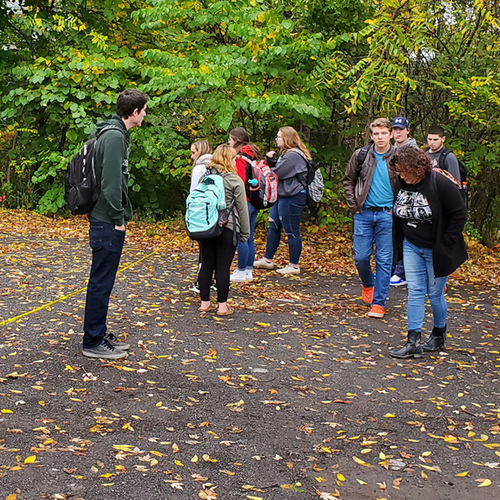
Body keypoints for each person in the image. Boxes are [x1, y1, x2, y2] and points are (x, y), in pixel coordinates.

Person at [82, 89, 149, 359]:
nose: (145, 114)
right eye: (143, 110)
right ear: (134, 112)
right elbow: (111, 184)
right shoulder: (114, 137)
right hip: (106, 220)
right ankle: (92, 341)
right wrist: (118, 218)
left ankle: (98, 333)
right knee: (101, 280)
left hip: (105, 219)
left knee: (103, 280)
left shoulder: (113, 133)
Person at [389, 146, 467, 358]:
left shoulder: (438, 182)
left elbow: (459, 214)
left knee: (434, 294)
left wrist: (446, 242)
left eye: (404, 171)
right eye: (399, 171)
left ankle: (439, 335)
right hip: (411, 244)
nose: (402, 175)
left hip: (436, 249)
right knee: (414, 291)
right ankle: (412, 340)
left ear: (417, 167)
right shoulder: (401, 183)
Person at [343, 118, 397, 318]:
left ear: (390, 134)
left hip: (388, 215)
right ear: (371, 135)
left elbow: (408, 184)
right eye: (376, 133)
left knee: (384, 260)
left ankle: (379, 303)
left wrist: (397, 209)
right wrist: (354, 206)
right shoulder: (361, 155)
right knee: (361, 257)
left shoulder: (399, 156)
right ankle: (368, 284)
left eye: (384, 133)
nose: (380, 137)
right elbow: (348, 180)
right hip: (364, 213)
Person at [198, 144, 250, 315]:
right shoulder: (234, 180)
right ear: (229, 159)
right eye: (234, 158)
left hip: (205, 226)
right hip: (227, 227)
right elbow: (242, 209)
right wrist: (245, 233)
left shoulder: (205, 178)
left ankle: (205, 303)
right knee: (222, 266)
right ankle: (222, 306)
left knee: (206, 263)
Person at [253, 126, 308, 275]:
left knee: (291, 230)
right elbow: (278, 170)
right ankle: (268, 259)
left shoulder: (293, 156)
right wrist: (272, 162)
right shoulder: (287, 154)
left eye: (279, 137)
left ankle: (294, 265)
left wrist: (268, 164)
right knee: (273, 225)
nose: (276, 139)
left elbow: (276, 173)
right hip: (283, 195)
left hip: (293, 196)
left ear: (287, 139)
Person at [228, 128, 261, 283]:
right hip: (255, 200)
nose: (228, 142)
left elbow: (239, 182)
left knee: (242, 237)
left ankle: (241, 270)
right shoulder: (252, 154)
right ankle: (248, 270)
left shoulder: (240, 158)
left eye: (230, 139)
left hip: (245, 202)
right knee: (250, 238)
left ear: (237, 140)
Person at [390, 116, 417, 286]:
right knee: (394, 236)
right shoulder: (391, 150)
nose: (398, 132)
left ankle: (402, 271)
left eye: (401, 129)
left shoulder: (413, 152)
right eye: (395, 129)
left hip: (409, 199)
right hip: (393, 198)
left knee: (406, 234)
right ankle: (394, 269)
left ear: (408, 131)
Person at [188, 140, 213, 293]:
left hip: (200, 212)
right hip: (214, 212)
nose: (192, 157)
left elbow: (193, 192)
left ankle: (202, 281)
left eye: (193, 153)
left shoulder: (199, 168)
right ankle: (212, 279)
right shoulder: (216, 164)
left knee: (203, 250)